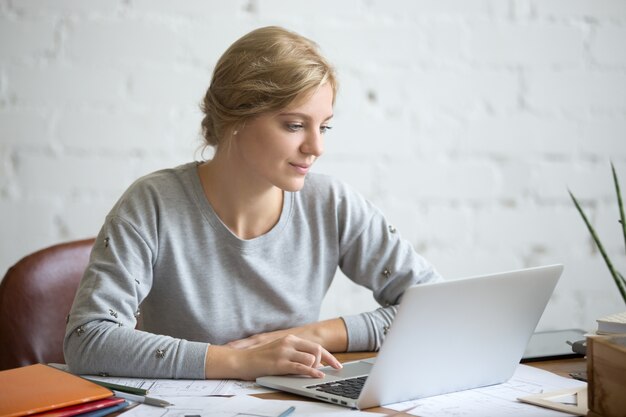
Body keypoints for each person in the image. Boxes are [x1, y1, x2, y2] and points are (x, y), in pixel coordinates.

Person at [64, 26, 441, 380]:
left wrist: (317, 333)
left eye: (323, 126)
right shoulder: (153, 204)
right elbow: (87, 339)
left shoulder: (333, 204)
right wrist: (240, 361)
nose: (317, 147)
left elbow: (435, 306)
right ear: (236, 119)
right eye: (295, 125)